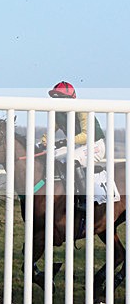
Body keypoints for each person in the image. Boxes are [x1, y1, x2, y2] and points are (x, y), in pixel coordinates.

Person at [41, 81, 106, 209]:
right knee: (52, 155)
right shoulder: (59, 114)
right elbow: (49, 132)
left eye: (58, 97)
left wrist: (66, 141)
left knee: (72, 159)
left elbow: (87, 135)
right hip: (77, 146)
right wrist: (43, 142)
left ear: (69, 98)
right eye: (55, 97)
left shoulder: (82, 110)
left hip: (95, 146)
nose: (56, 101)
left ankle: (84, 199)